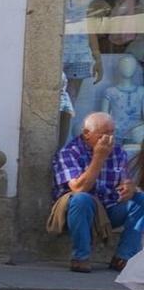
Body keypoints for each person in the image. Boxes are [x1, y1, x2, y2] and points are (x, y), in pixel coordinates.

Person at [51, 111, 141, 271]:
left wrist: (129, 187)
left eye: (113, 132)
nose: (110, 138)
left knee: (141, 199)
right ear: (87, 134)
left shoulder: (118, 152)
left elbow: (124, 180)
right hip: (78, 212)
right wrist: (99, 157)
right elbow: (79, 188)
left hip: (109, 209)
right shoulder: (69, 152)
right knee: (81, 199)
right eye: (105, 134)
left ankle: (123, 257)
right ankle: (80, 257)